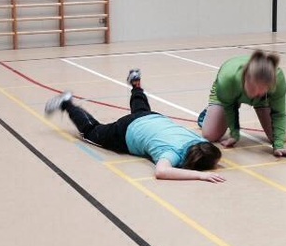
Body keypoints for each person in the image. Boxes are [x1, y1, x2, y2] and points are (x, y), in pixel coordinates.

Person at [45, 69, 225, 183]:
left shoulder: (197, 140)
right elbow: (161, 172)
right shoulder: (172, 154)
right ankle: (67, 103)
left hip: (152, 118)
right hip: (126, 131)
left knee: (140, 109)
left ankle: (136, 85)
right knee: (92, 132)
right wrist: (200, 175)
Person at [197, 50, 286, 159]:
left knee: (277, 137)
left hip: (262, 100)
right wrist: (234, 134)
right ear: (247, 79)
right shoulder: (227, 78)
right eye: (254, 89)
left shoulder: (277, 80)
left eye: (261, 91)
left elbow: (278, 114)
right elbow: (229, 106)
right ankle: (212, 112)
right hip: (229, 95)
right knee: (210, 135)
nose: (256, 94)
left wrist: (278, 146)